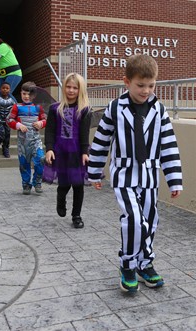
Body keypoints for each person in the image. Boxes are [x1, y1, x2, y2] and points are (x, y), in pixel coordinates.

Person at [88, 54, 183, 293]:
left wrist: (174, 180)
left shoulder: (159, 110)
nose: (146, 90)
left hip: (150, 175)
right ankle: (128, 265)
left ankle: (145, 263)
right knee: (134, 219)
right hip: (124, 174)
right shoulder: (114, 108)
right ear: (127, 82)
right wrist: (95, 172)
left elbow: (168, 146)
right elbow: (101, 141)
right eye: (140, 85)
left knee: (150, 221)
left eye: (151, 85)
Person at [44, 73, 91, 229]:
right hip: (60, 152)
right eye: (68, 87)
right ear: (63, 88)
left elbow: (85, 133)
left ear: (80, 90)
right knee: (64, 184)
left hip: (77, 152)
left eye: (75, 88)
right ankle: (60, 198)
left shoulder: (84, 110)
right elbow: (49, 130)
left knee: (78, 185)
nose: (71, 90)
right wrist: (49, 149)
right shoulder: (55, 109)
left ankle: (76, 215)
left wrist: (85, 152)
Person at [7, 81, 46, 195]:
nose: (26, 96)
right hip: (22, 142)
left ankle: (37, 182)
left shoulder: (38, 107)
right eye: (24, 93)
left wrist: (41, 123)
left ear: (34, 95)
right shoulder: (16, 107)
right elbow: (9, 119)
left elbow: (45, 119)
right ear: (21, 93)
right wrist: (18, 125)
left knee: (40, 160)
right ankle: (26, 184)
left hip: (36, 141)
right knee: (24, 164)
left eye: (29, 94)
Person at [0, 29, 22, 102]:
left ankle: (17, 111)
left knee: (6, 93)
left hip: (14, 74)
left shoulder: (3, 46)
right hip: (3, 75)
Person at [0, 82, 15, 157]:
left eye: (7, 88)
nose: (5, 90)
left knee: (7, 136)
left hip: (7, 121)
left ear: (9, 90)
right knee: (0, 135)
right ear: (0, 89)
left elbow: (15, 111)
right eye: (3, 88)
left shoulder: (12, 101)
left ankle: (5, 148)